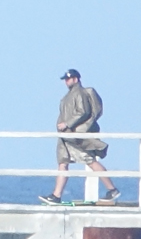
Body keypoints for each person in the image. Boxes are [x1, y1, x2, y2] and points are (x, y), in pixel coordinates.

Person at [41, 69, 118, 204]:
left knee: (90, 161)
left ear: (76, 79)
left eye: (69, 79)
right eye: (65, 79)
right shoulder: (69, 95)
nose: (66, 81)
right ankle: (56, 195)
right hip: (66, 136)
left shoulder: (79, 93)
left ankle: (112, 190)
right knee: (63, 163)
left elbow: (84, 111)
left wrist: (67, 124)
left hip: (74, 135)